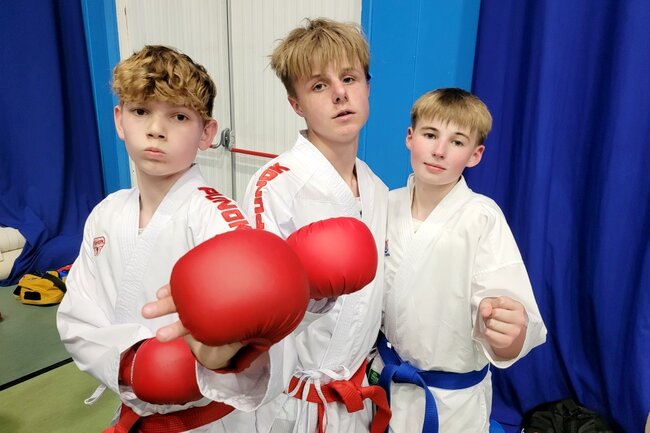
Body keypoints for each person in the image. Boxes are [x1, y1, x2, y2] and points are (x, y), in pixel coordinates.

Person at [56, 45, 302, 433]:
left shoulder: (219, 221)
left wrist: (216, 359)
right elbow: (77, 313)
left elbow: (261, 338)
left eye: (179, 116)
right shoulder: (106, 213)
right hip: (134, 408)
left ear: (207, 133)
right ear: (119, 120)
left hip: (211, 422)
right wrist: (131, 362)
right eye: (141, 111)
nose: (156, 129)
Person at [239, 18, 391, 433]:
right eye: (319, 85)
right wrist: (311, 293)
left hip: (355, 398)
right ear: (296, 104)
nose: (340, 93)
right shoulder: (275, 185)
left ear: (367, 87)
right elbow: (255, 311)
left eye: (349, 78)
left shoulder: (376, 189)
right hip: (290, 405)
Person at [370, 88, 547, 433]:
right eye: (430, 135)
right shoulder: (385, 204)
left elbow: (508, 315)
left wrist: (509, 332)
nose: (439, 150)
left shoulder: (482, 218)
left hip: (451, 403)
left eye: (456, 141)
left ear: (475, 155)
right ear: (410, 137)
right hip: (384, 383)